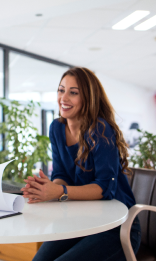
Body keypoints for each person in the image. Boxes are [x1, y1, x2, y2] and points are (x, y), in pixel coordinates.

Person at [21, 67, 141, 261]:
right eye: (61, 90)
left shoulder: (101, 130)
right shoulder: (57, 128)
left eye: (73, 93)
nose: (64, 97)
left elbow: (105, 188)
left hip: (117, 227)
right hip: (81, 221)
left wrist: (60, 192)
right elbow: (61, 174)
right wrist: (48, 189)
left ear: (88, 98)